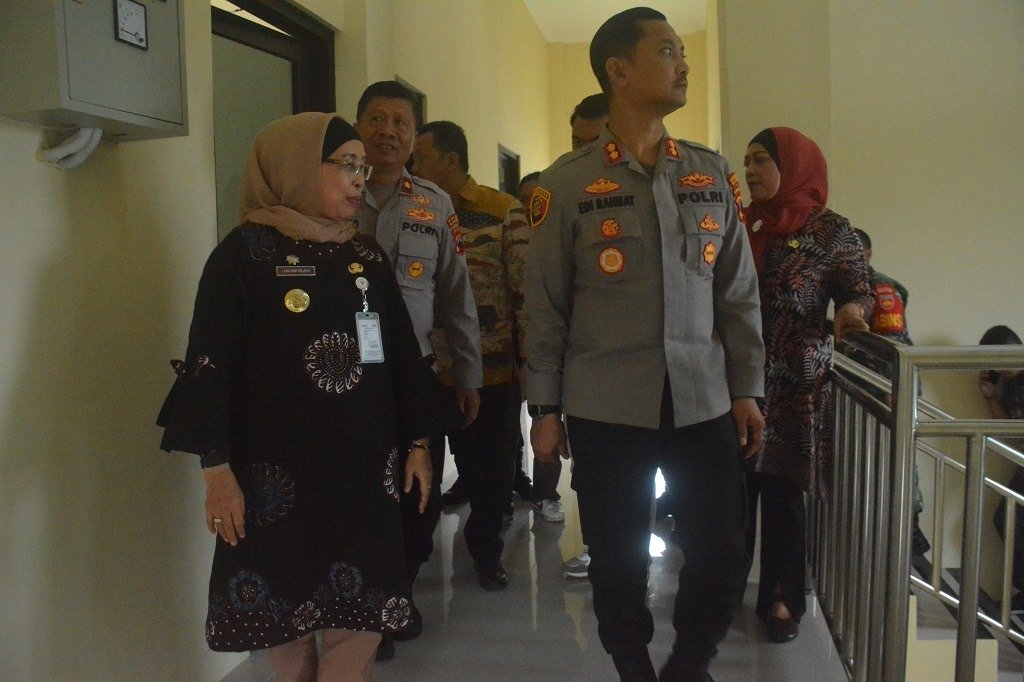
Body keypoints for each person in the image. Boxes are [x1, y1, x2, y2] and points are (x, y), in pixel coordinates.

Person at [156, 113, 451, 681]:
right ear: (294, 168)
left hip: (363, 475)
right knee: (283, 614)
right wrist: (216, 472)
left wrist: (417, 442)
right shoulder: (242, 257)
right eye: (346, 165)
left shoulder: (367, 258)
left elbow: (400, 357)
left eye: (362, 167)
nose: (359, 178)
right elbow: (209, 367)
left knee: (360, 618)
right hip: (272, 482)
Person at [525, 8, 765, 680]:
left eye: (681, 51)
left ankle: (689, 664)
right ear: (619, 71)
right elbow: (544, 308)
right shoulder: (565, 184)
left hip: (703, 397)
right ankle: (631, 665)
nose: (682, 64)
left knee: (721, 549)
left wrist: (747, 389)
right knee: (617, 556)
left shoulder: (708, 174)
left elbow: (738, 295)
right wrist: (544, 409)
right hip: (606, 404)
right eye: (666, 51)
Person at [354, 81, 483, 655]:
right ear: (358, 125)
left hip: (417, 377)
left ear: (413, 136)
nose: (388, 131)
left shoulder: (435, 203)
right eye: (377, 119)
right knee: (359, 494)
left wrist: (469, 374)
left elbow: (457, 296)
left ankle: (397, 593)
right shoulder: (332, 190)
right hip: (348, 377)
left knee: (418, 497)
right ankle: (363, 607)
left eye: (400, 122)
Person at [742, 127, 873, 644]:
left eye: (761, 160)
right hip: (737, 382)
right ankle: (724, 589)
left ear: (793, 166)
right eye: (747, 161)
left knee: (782, 496)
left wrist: (852, 313)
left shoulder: (830, 231)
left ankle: (782, 597)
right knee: (731, 494)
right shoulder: (740, 224)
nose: (750, 170)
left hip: (795, 385)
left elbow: (857, 289)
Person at [411, 120, 530, 590]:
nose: (413, 165)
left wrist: (529, 363)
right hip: (426, 369)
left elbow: (524, 291)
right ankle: (413, 559)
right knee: (420, 471)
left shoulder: (502, 211)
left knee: (491, 475)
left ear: (452, 161)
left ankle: (485, 551)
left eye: (421, 156)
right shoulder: (414, 209)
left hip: (489, 370)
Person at [854, 228, 929, 556]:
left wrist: (891, 392)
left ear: (867, 255)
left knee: (894, 467)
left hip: (887, 391)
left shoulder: (880, 289)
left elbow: (892, 347)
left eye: (853, 251)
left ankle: (909, 530)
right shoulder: (852, 288)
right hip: (868, 394)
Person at [980, 325, 1024, 610]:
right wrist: (991, 397)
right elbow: (1007, 429)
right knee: (1005, 518)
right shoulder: (1008, 385)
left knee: (1008, 517)